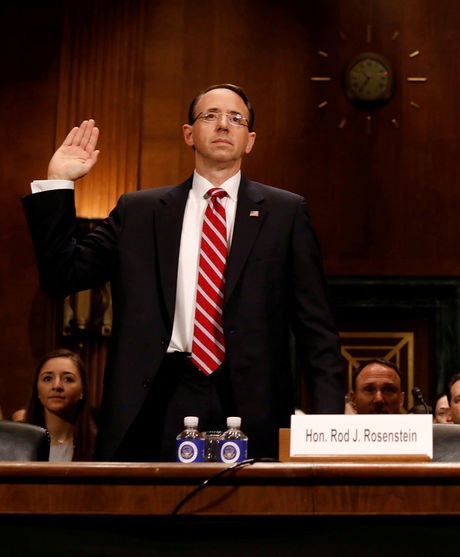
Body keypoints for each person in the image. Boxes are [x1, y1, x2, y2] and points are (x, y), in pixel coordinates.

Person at [23, 84, 345, 461]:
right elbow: (62, 277)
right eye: (210, 116)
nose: (224, 125)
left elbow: (316, 331)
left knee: (248, 519)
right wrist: (58, 182)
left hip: (251, 401)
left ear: (250, 140)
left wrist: (328, 430)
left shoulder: (285, 213)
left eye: (236, 119)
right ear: (189, 134)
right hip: (157, 396)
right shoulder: (139, 212)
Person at [18, 349, 95, 462]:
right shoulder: (17, 441)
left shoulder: (101, 445)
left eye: (68, 379)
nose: (56, 386)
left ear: (82, 391)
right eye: (48, 378)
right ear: (37, 390)